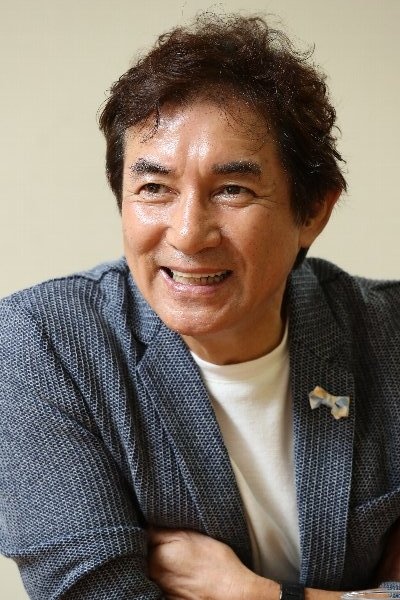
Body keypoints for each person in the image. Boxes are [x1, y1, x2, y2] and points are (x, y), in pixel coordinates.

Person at [0, 12, 399, 600]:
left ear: (313, 210)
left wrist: (254, 596)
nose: (188, 234)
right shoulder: (45, 344)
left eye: (232, 189)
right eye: (154, 188)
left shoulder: (388, 333)